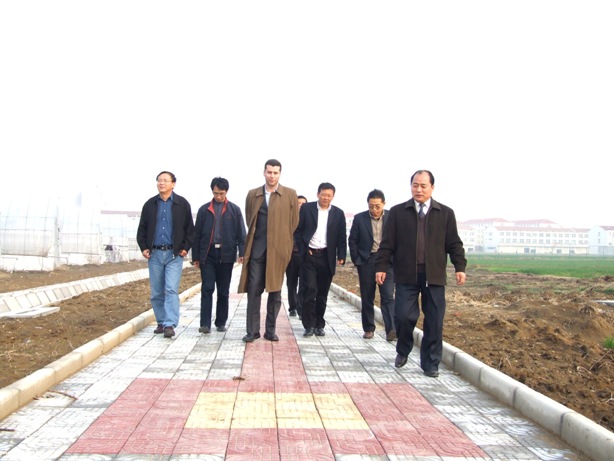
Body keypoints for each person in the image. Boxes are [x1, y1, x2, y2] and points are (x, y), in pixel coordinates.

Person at [375, 170, 466, 377]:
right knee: (403, 316)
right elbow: (387, 243)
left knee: (434, 320)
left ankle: (431, 363)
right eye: (415, 185)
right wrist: (381, 267)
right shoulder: (398, 213)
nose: (419, 189)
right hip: (406, 275)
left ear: (432, 188)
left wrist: (459, 267)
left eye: (423, 186)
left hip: (434, 276)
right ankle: (403, 348)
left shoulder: (445, 213)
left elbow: (454, 243)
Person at [238, 159, 299, 342]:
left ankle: (270, 330)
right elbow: (250, 218)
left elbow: (293, 222)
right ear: (264, 172)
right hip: (257, 249)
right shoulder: (253, 194)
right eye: (269, 172)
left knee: (275, 290)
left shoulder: (289, 194)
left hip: (279, 251)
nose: (272, 176)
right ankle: (252, 331)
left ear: (280, 174)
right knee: (253, 289)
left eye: (275, 173)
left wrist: (284, 243)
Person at [137, 171, 195, 338]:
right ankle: (161, 322)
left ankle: (170, 324)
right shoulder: (150, 205)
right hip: (155, 254)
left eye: (165, 180)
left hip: (174, 255)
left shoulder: (182, 204)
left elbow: (190, 230)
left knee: (171, 289)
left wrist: (185, 248)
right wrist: (144, 247)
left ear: (173, 184)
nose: (161, 183)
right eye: (159, 180)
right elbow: (142, 229)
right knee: (156, 292)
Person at [192, 177, 246, 334]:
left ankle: (221, 322)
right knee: (207, 288)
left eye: (221, 193)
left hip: (226, 255)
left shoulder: (234, 210)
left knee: (223, 291)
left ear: (226, 192)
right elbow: (197, 235)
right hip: (207, 254)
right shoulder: (204, 210)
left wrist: (242, 253)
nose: (218, 196)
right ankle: (205, 323)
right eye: (216, 193)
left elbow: (241, 233)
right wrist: (196, 257)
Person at [295, 182, 346, 337]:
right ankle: (308, 325)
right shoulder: (307, 208)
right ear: (318, 194)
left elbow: (341, 236)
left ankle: (319, 324)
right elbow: (298, 231)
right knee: (310, 290)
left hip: (327, 256)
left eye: (329, 195)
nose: (326, 198)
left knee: (322, 293)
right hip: (309, 256)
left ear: (333, 196)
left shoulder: (338, 213)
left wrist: (341, 255)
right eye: (323, 194)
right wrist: (304, 249)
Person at [348, 189, 396, 341]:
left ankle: (391, 329)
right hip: (367, 260)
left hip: (387, 261)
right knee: (367, 296)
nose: (374, 209)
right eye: (371, 206)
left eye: (377, 206)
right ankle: (369, 328)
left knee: (388, 296)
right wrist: (357, 260)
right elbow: (353, 240)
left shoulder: (392, 217)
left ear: (384, 204)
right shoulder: (360, 218)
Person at [285, 195, 308, 318]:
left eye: (303, 204)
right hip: (291, 256)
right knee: (291, 282)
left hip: (304, 256)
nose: (300, 206)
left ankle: (300, 307)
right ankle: (292, 306)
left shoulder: (309, 219)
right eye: (298, 203)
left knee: (304, 284)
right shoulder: (288, 219)